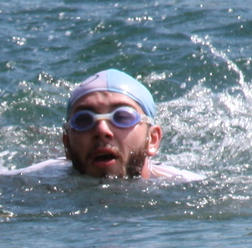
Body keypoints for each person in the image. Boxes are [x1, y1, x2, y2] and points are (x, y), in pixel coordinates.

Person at [12, 69, 199, 181]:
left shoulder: (186, 186)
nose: (102, 130)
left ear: (153, 139)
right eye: (84, 120)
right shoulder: (30, 181)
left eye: (122, 117)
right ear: (66, 143)